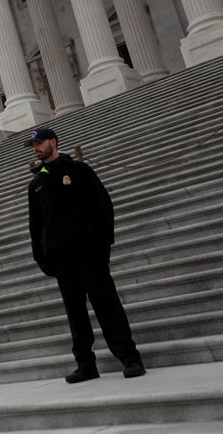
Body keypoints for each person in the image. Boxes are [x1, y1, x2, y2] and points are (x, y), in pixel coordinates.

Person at [26, 127, 146, 383]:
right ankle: (85, 364)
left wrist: (103, 246)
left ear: (53, 142)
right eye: (33, 145)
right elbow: (35, 227)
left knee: (107, 304)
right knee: (75, 312)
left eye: (39, 143)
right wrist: (42, 257)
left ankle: (129, 357)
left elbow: (103, 207)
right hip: (60, 257)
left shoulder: (79, 171)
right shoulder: (36, 183)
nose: (35, 148)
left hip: (88, 252)